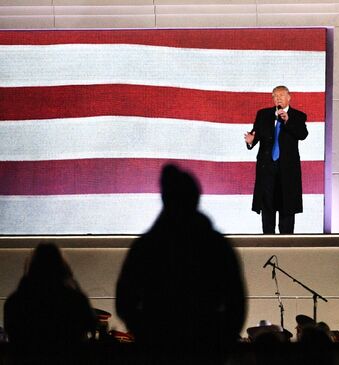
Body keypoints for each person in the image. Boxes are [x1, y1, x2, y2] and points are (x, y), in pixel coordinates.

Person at [115, 165, 246, 354]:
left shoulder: (147, 247)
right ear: (195, 198)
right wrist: (220, 341)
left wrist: (146, 334)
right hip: (205, 347)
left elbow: (125, 302)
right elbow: (236, 304)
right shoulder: (217, 246)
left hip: (158, 347)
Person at [3, 243, 96, 352]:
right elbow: (92, 324)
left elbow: (12, 334)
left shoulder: (16, 301)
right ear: (62, 267)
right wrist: (75, 285)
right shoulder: (75, 300)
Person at [245, 85, 308, 234]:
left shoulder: (298, 116)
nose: (278, 98)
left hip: (287, 173)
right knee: (267, 210)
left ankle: (286, 247)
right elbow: (255, 136)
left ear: (289, 97)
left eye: (281, 95)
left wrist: (287, 121)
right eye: (275, 96)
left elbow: (302, 134)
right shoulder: (263, 115)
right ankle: (268, 244)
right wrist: (250, 141)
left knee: (286, 212)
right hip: (267, 171)